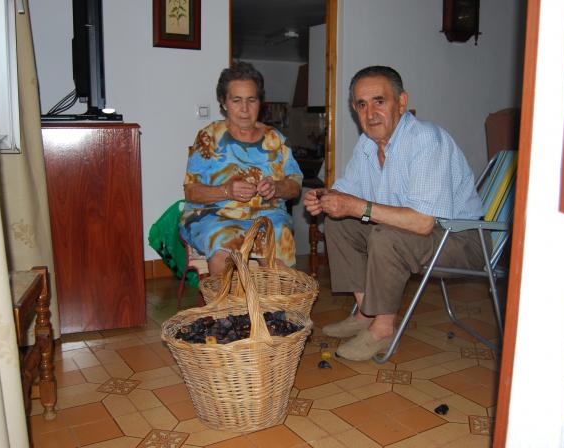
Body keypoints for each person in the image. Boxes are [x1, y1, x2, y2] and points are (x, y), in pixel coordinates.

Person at [303, 66, 487, 361]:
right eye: (362, 104)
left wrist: (355, 206)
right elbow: (345, 193)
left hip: (462, 240)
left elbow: (423, 222)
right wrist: (324, 198)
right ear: (354, 109)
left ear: (401, 103)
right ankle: (366, 314)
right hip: (416, 235)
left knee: (385, 235)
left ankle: (383, 329)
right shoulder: (367, 144)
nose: (370, 113)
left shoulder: (426, 140)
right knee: (339, 223)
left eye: (379, 101)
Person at [179, 62, 303, 275]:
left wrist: (276, 188)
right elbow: (191, 191)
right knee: (224, 250)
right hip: (216, 216)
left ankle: (274, 295)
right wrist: (226, 191)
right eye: (236, 100)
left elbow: (295, 186)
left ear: (260, 103)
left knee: (278, 240)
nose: (245, 109)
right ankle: (228, 298)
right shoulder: (209, 137)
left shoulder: (275, 139)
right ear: (223, 102)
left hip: (268, 216)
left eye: (251, 100)